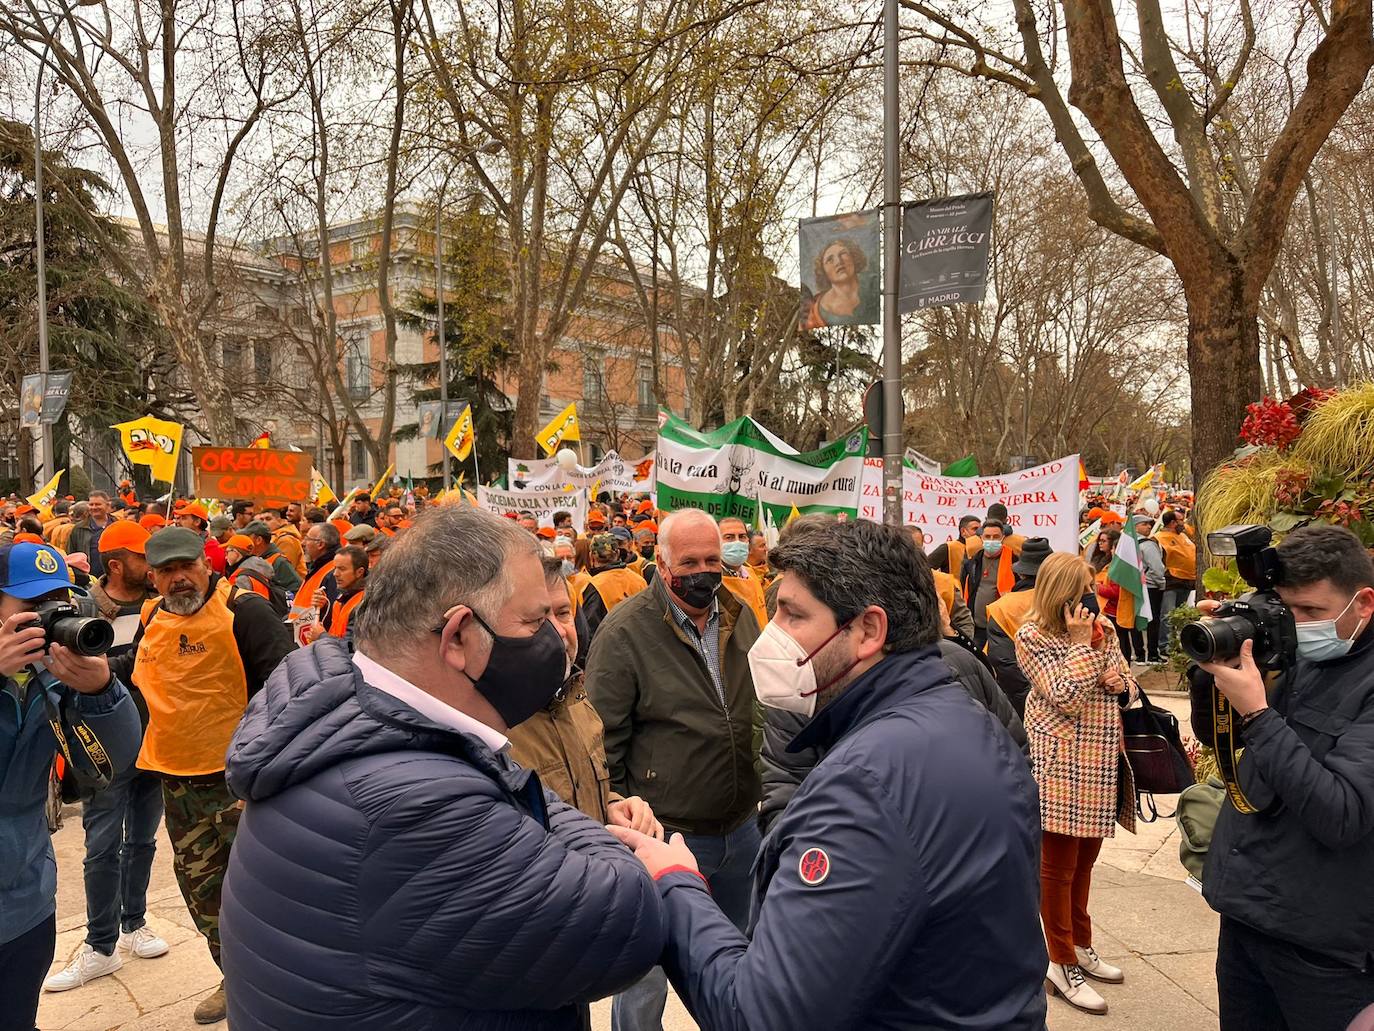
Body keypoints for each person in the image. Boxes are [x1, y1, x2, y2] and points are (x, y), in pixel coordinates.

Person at [219, 506, 667, 1029]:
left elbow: (521, 793)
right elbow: (625, 926)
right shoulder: (416, 804)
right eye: (533, 621)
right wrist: (650, 862)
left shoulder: (352, 717)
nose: (557, 637)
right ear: (457, 636)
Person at [610, 519, 1046, 1029]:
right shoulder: (970, 723)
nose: (771, 636)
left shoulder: (864, 786)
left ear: (868, 631)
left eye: (793, 615)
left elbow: (761, 1015)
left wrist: (675, 882)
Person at [586, 508, 762, 1031]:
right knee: (645, 976)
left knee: (743, 962)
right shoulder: (625, 632)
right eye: (691, 561)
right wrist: (618, 817)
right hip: (665, 834)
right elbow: (603, 738)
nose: (705, 570)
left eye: (713, 559)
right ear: (663, 566)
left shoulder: (739, 612)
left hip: (742, 827)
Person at [1196, 525, 1374, 1031]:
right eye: (1286, 609)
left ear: (1363, 603)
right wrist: (1216, 666)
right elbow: (1218, 739)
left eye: (1312, 612)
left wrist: (1257, 713)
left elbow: (1343, 814)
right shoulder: (1296, 651)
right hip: (1249, 917)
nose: (1296, 625)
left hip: (1323, 948)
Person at [128, 528, 296, 1023]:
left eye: (187, 567)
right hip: (176, 782)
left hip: (240, 783)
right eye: (166, 572)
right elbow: (138, 671)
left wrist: (263, 770)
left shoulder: (245, 612)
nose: (178, 579)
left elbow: (293, 692)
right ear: (153, 578)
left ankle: (288, 985)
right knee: (204, 893)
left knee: (267, 890)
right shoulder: (152, 615)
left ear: (207, 564)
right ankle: (237, 979)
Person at [0, 542, 143, 1031]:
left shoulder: (51, 676)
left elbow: (115, 759)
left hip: (24, 904)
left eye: (58, 605)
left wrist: (101, 692)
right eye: (32, 608)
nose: (48, 621)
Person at [45, 522, 171, 994]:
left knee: (142, 841)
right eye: (144, 557)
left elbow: (160, 663)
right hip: (99, 748)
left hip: (154, 742)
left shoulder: (161, 607)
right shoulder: (78, 607)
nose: (154, 565)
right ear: (117, 563)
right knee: (101, 847)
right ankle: (100, 946)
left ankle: (134, 922)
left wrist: (115, 666)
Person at [1015, 551, 1139, 1016]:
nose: (1091, 596)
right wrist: (1083, 646)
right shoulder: (1032, 636)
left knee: (1086, 861)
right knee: (1058, 866)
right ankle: (1059, 960)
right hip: (1062, 760)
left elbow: (1130, 686)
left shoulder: (1102, 628)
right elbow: (1063, 696)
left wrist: (1117, 681)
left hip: (1103, 758)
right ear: (1059, 593)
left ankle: (1082, 945)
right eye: (1082, 588)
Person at [506, 555, 661, 838]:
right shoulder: (492, 727)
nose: (558, 631)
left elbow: (584, 792)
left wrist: (613, 806)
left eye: (563, 613)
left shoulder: (578, 700)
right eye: (537, 618)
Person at [986, 537, 1052, 716]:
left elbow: (1005, 664)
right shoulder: (1066, 600)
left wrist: (1029, 703)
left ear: (1021, 573)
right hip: (1066, 695)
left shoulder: (1002, 607)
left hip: (1022, 701)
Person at [910, 525, 976, 639]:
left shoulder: (944, 583)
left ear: (923, 549)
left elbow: (964, 622)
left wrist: (957, 648)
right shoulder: (882, 582)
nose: (910, 554)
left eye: (916, 548)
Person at [579, 532, 648, 641]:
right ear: (618, 553)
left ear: (591, 555)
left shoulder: (594, 585)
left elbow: (591, 631)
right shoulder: (639, 580)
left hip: (611, 649)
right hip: (640, 646)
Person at [800, 236, 878, 329]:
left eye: (843, 254)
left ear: (854, 257)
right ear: (823, 271)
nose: (838, 261)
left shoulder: (873, 289)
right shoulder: (814, 310)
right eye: (830, 260)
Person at [962, 518, 1015, 648]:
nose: (991, 540)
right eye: (987, 536)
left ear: (1002, 537)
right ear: (981, 537)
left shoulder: (1014, 561)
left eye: (996, 537)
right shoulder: (974, 561)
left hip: (1001, 627)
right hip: (976, 627)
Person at [1155, 510, 1196, 651]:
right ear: (1172, 523)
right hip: (1171, 581)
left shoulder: (1183, 535)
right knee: (1168, 615)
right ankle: (1165, 645)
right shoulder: (1159, 537)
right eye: (1180, 520)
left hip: (1187, 580)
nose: (1183, 523)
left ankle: (1178, 643)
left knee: (1181, 615)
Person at [719, 516, 768, 629]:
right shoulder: (713, 580)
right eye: (729, 537)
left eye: (742, 537)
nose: (737, 542)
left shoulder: (752, 575)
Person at [314, 545, 368, 649]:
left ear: (359, 572)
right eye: (335, 568)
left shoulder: (365, 603)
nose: (335, 574)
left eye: (342, 569)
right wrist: (324, 608)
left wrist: (321, 636)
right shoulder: (343, 596)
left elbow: (352, 647)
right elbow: (335, 629)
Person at [1134, 513, 1166, 662]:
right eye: (1144, 524)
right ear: (1135, 527)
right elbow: (1157, 568)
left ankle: (1139, 654)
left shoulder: (1127, 544)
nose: (1148, 527)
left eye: (1149, 524)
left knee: (1136, 620)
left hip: (1135, 586)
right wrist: (1161, 584)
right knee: (1153, 621)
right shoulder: (1148, 545)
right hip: (1151, 587)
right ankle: (1153, 654)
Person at [242, 520, 303, 594]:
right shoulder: (254, 559)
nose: (244, 541)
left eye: (247, 538)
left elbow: (296, 588)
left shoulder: (279, 562)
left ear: (259, 540)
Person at [68, 491, 115, 576]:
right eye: (91, 504)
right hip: (89, 578)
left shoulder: (117, 525)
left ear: (107, 506)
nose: (94, 507)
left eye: (98, 504)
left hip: (114, 575)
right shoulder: (79, 529)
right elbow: (72, 555)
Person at [176, 502, 226, 575]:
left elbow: (212, 576)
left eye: (183, 518)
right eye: (178, 518)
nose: (178, 522)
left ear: (197, 522)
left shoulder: (212, 546)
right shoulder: (184, 543)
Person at [259, 508, 305, 577]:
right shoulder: (274, 537)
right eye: (261, 520)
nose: (264, 523)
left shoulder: (286, 540)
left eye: (268, 519)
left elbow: (285, 570)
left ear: (280, 521)